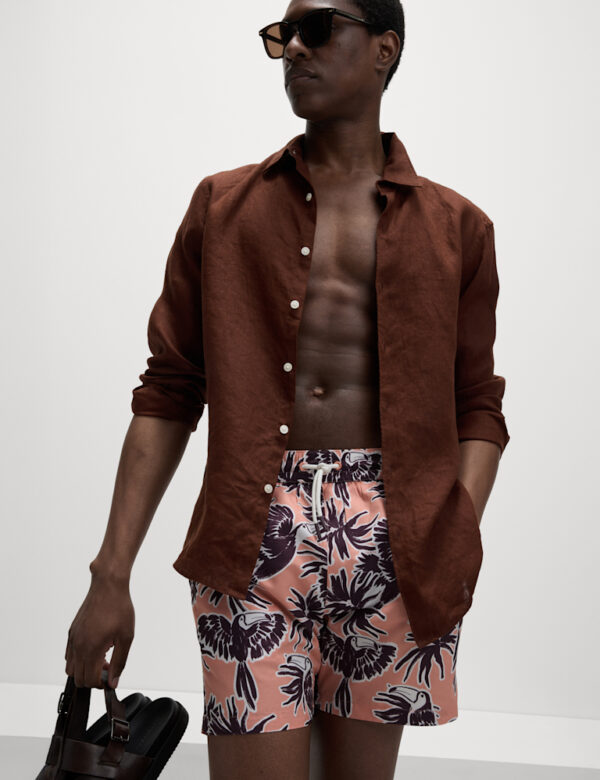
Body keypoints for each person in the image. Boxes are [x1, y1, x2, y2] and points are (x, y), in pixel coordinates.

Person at [64, 1, 509, 778]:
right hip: (252, 531)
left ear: (384, 49)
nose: (294, 48)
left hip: (399, 540)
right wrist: (111, 574)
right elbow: (169, 390)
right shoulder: (222, 206)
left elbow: (478, 404)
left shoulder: (457, 227)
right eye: (282, 35)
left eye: (319, 28)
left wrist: (454, 526)